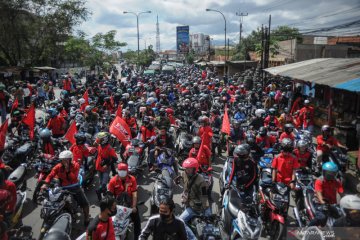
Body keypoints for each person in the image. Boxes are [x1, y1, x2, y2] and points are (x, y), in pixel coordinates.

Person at [42, 150, 90, 226]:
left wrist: (68, 170)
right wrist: (45, 183)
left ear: (70, 159)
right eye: (62, 160)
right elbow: (51, 175)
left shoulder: (75, 165)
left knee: (85, 203)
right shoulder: (58, 166)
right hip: (62, 188)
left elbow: (73, 178)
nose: (63, 161)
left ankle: (87, 218)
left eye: (65, 160)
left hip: (74, 187)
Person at [178, 158, 210, 239]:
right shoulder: (184, 173)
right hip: (188, 201)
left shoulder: (201, 181)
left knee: (180, 222)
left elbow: (204, 196)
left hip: (196, 206)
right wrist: (177, 180)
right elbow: (182, 177)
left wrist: (202, 209)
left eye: (189, 169)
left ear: (195, 169)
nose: (187, 170)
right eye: (186, 168)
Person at [107, 163, 140, 240]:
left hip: (130, 205)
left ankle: (138, 237)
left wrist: (134, 206)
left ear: (127, 171)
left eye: (124, 171)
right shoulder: (112, 181)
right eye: (120, 171)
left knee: (137, 222)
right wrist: (111, 206)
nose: (122, 174)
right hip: (117, 205)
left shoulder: (132, 179)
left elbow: (134, 194)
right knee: (110, 221)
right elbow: (109, 196)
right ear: (117, 171)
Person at [308, 162, 344, 227]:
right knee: (322, 217)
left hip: (331, 203)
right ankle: (305, 230)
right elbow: (319, 194)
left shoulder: (337, 181)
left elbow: (342, 193)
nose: (331, 175)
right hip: (319, 202)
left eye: (333, 174)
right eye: (329, 174)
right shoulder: (320, 181)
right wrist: (323, 203)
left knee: (342, 217)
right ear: (324, 172)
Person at [95, 132, 118, 201]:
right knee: (101, 182)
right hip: (98, 167)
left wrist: (107, 164)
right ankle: (104, 194)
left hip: (106, 169)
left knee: (103, 184)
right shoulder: (99, 146)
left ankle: (99, 192)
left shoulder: (109, 148)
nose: (98, 140)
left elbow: (115, 158)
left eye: (100, 139)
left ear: (105, 140)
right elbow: (98, 154)